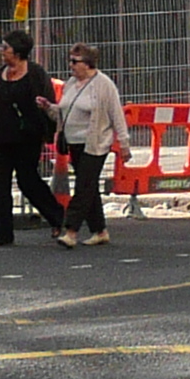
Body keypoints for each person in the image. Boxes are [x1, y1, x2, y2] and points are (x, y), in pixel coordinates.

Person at [0, 27, 66, 248]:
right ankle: (2, 234)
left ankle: (58, 218)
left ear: (18, 52)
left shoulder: (36, 74)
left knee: (27, 180)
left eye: (6, 48)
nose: (2, 51)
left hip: (27, 138)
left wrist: (47, 132)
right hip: (1, 137)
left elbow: (47, 103)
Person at [54, 44, 127, 248]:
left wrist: (124, 143)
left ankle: (71, 231)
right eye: (70, 60)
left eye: (75, 61)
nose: (71, 65)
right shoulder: (70, 84)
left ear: (88, 64)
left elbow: (116, 115)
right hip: (74, 143)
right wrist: (49, 108)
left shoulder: (104, 85)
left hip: (95, 144)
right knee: (89, 186)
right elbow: (65, 112)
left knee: (83, 186)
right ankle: (99, 230)